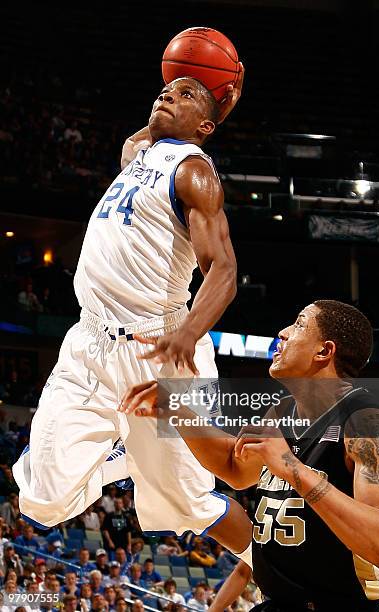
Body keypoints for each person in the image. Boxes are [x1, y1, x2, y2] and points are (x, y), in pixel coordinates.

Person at [13, 66, 252, 567]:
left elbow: (224, 270)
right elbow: (149, 132)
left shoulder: (196, 173)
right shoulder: (136, 152)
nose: (168, 93)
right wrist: (209, 103)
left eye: (184, 94)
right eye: (166, 89)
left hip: (159, 349)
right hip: (91, 343)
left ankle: (267, 564)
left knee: (188, 503)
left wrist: (189, 333)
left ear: (205, 128)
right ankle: (125, 450)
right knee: (41, 499)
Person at [122, 300, 379, 612]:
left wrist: (290, 468)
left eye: (298, 324)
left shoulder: (368, 422)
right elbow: (234, 467)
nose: (282, 333)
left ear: (324, 351)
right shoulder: (282, 412)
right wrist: (173, 408)